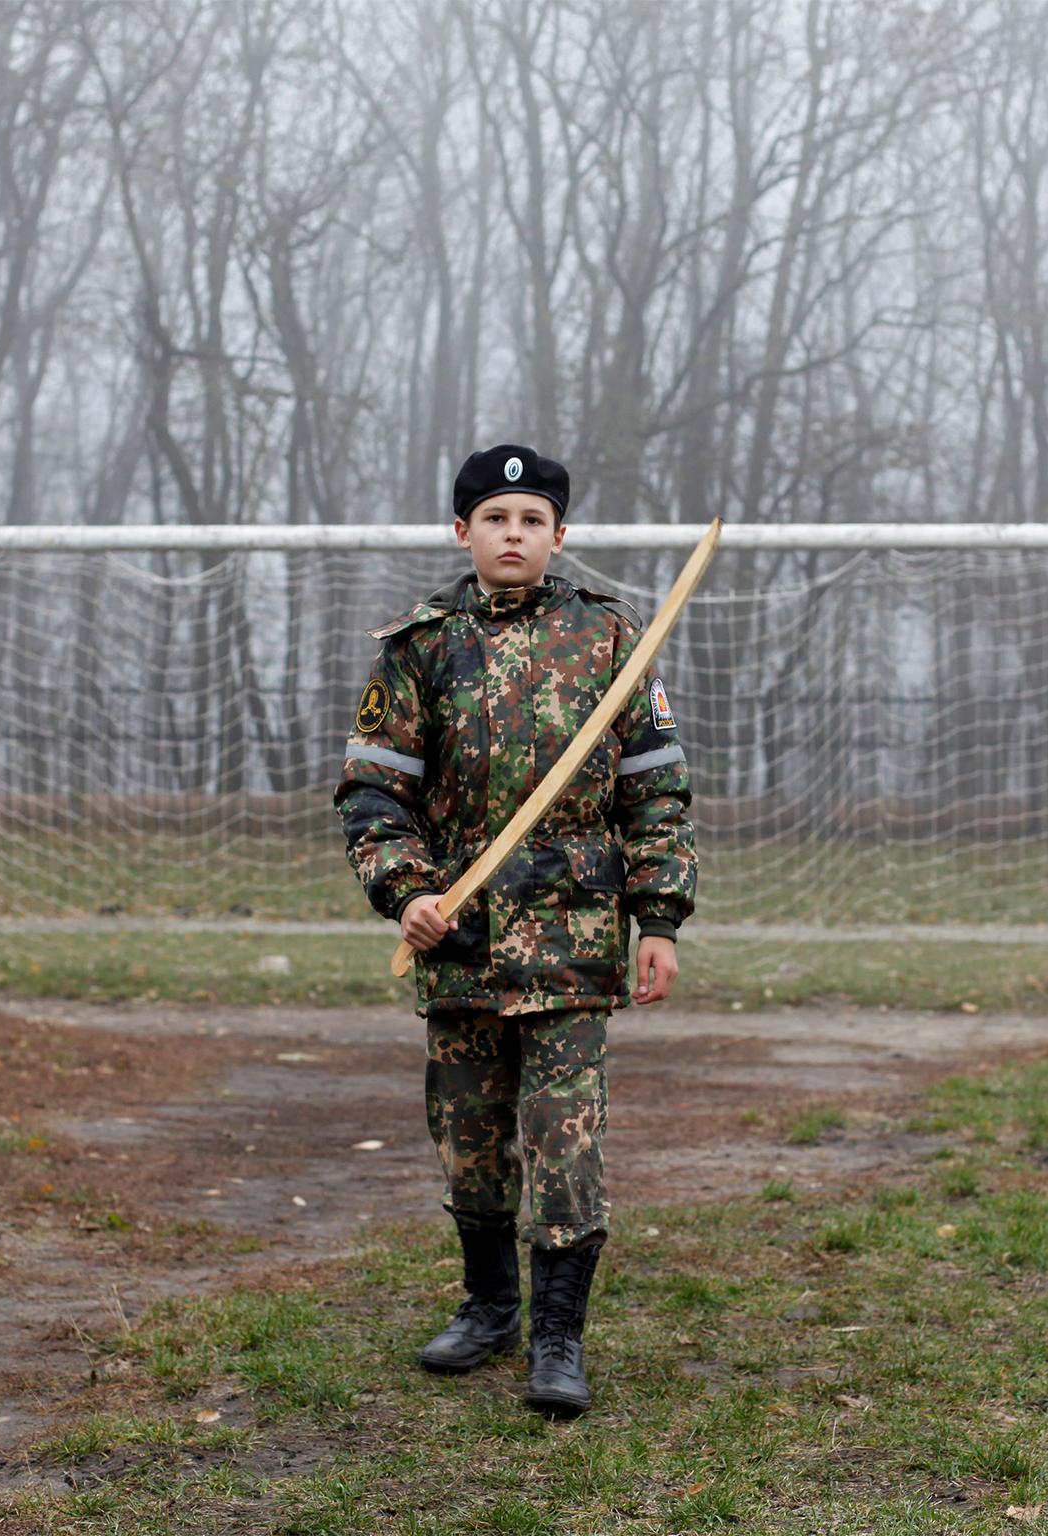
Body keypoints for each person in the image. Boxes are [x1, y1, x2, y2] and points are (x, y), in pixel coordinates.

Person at [333, 443, 697, 1418]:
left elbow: (654, 796)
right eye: (495, 518)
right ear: (463, 532)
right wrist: (405, 891)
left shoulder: (610, 643)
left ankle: (557, 1339)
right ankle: (489, 1306)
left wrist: (656, 919)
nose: (513, 534)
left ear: (558, 536)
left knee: (563, 1140)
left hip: (572, 945)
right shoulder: (417, 648)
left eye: (531, 520)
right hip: (458, 940)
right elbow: (373, 795)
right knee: (469, 1139)